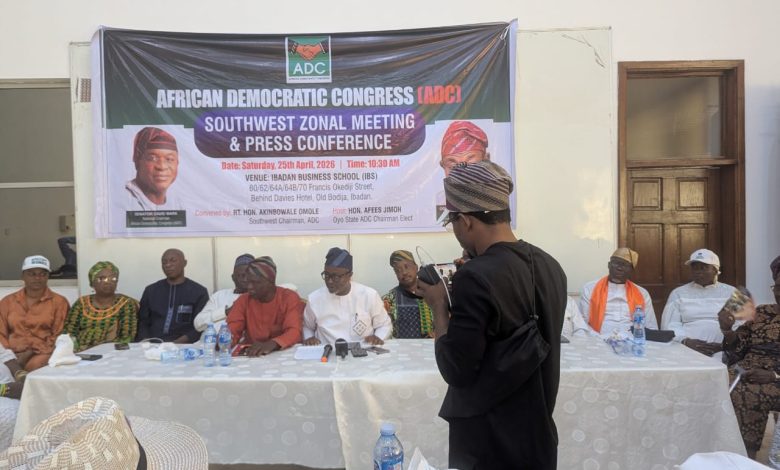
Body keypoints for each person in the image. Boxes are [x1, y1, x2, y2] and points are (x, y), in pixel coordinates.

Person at [417, 161, 567, 469]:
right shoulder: (551, 266)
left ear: (466, 221)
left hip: (490, 443)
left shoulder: (475, 277)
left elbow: (456, 370)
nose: (454, 230)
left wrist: (438, 307)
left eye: (452, 221)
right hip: (537, 438)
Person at [720, 256, 780, 459]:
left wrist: (773, 375)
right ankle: (716, 451)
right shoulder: (762, 312)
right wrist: (727, 330)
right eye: (778, 287)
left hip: (773, 378)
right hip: (746, 371)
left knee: (746, 394)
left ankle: (744, 458)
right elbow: (738, 348)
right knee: (713, 383)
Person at [303, 248, 391, 346]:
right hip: (327, 350)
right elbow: (307, 327)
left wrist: (378, 337)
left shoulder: (369, 295)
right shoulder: (314, 299)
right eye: (327, 275)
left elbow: (384, 325)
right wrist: (309, 338)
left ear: (350, 276)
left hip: (362, 349)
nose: (330, 281)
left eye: (336, 277)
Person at [661, 248, 736, 356]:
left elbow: (741, 325)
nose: (698, 271)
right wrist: (686, 342)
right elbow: (670, 325)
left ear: (715, 270)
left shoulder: (732, 293)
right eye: (694, 268)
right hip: (686, 350)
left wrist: (725, 346)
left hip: (724, 351)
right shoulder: (678, 293)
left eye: (703, 268)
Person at [0, 255, 68, 371]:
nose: (37, 278)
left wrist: (31, 351)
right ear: (23, 276)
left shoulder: (59, 302)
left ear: (48, 276)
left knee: (34, 367)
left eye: (43, 274)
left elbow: (58, 334)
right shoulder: (8, 301)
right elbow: (1, 333)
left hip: (42, 353)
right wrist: (8, 356)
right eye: (32, 274)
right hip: (10, 353)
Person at [227, 257, 305, 356]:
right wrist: (225, 340)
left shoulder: (288, 297)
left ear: (270, 282)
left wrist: (272, 344)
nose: (249, 287)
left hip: (283, 353)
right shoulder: (244, 300)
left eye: (255, 282)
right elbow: (233, 328)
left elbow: (294, 331)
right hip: (252, 355)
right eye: (248, 282)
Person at [579, 247, 657, 336]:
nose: (619, 268)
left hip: (632, 339)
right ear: (609, 265)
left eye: (625, 265)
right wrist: (598, 338)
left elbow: (651, 326)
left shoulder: (642, 293)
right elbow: (582, 323)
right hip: (598, 338)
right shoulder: (590, 288)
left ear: (631, 270)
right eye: (616, 263)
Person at [63, 261, 138, 352]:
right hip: (80, 353)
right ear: (92, 282)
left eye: (113, 278)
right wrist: (77, 350)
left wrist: (106, 351)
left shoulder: (125, 303)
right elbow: (69, 332)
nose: (108, 282)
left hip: (112, 353)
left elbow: (127, 336)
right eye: (102, 278)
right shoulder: (81, 303)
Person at [136, 249, 208, 343]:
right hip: (152, 345)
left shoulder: (199, 292)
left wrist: (177, 344)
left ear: (184, 263)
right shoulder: (151, 290)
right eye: (164, 262)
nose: (168, 265)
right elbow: (143, 321)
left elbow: (200, 325)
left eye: (173, 260)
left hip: (184, 346)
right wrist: (146, 341)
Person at [436, 121, 491, 221]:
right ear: (443, 166)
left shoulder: (495, 198)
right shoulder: (442, 200)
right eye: (453, 167)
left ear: (486, 161)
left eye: (471, 165)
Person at [194, 253, 254, 341]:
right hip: (207, 345)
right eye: (240, 275)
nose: (244, 279)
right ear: (233, 277)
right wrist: (226, 312)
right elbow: (198, 324)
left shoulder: (258, 298)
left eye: (248, 275)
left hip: (236, 346)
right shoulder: (219, 296)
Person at [125, 126, 183, 211]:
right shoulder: (124, 199)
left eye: (169, 159)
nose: (162, 166)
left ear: (177, 162)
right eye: (152, 158)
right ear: (137, 160)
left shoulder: (178, 204)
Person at [382, 250, 434, 338]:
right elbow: (383, 332)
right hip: (400, 346)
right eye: (398, 270)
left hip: (432, 346)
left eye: (406, 267)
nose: (404, 273)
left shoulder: (434, 294)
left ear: (416, 267)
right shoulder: (388, 300)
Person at [0, 344, 27, 449]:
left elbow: (4, 355)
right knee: (15, 416)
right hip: (5, 395)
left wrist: (21, 375)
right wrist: (4, 389)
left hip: (13, 386)